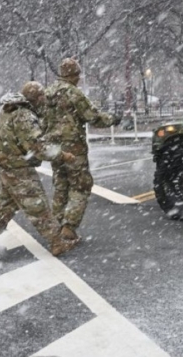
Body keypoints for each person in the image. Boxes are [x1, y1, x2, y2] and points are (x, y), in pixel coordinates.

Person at [0, 83, 78, 256]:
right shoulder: (24, 115)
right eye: (42, 98)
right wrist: (62, 155)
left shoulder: (6, 111)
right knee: (38, 206)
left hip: (6, 167)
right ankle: (56, 242)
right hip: (20, 169)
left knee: (4, 204)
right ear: (36, 98)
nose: (44, 101)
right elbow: (38, 146)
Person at [43, 58, 120, 242]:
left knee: (61, 185)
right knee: (80, 185)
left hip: (54, 147)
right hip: (73, 147)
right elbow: (93, 117)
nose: (79, 78)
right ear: (74, 75)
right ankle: (69, 226)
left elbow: (41, 120)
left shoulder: (48, 93)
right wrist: (113, 119)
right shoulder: (73, 93)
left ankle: (57, 225)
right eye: (77, 74)